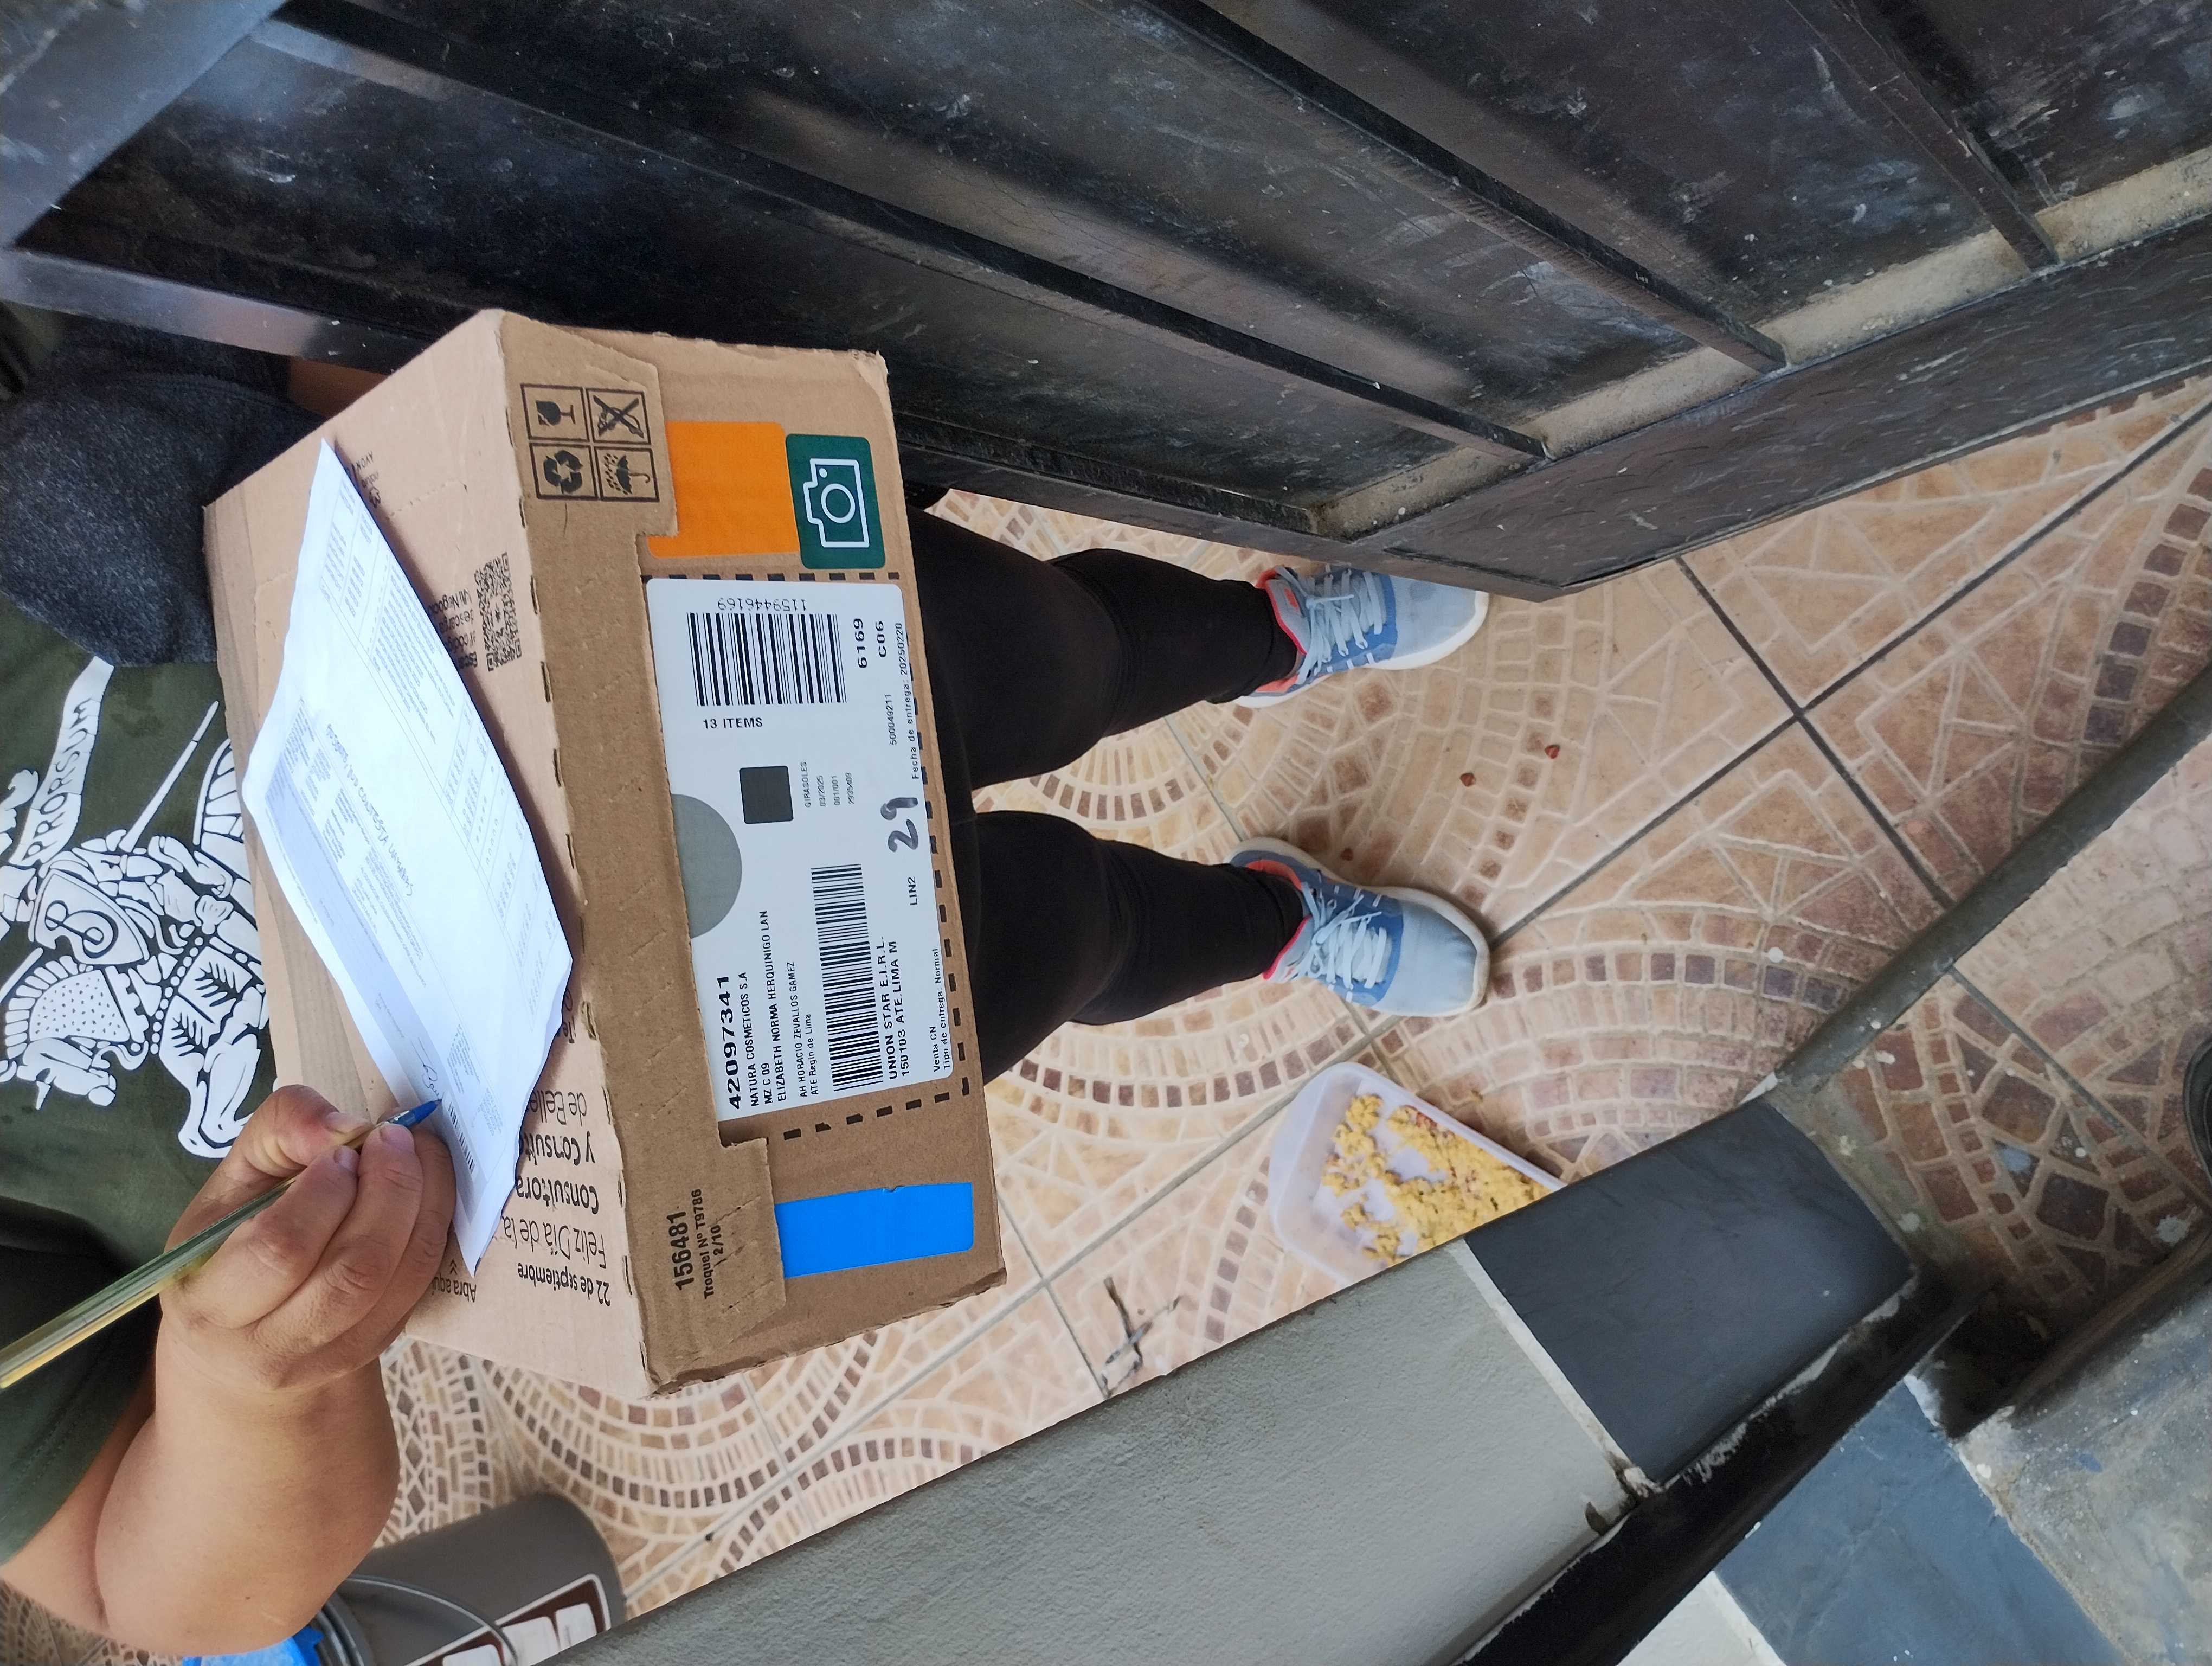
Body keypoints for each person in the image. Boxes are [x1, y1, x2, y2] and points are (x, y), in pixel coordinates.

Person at [0, 320, 1491, 1651]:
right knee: (1068, 934)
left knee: (1056, 656)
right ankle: (1271, 920)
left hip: (634, 626)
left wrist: (479, 422)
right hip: (700, 1060)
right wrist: (245, 1387)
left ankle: (1264, 637)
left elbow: (192, 287)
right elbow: (152, 1586)